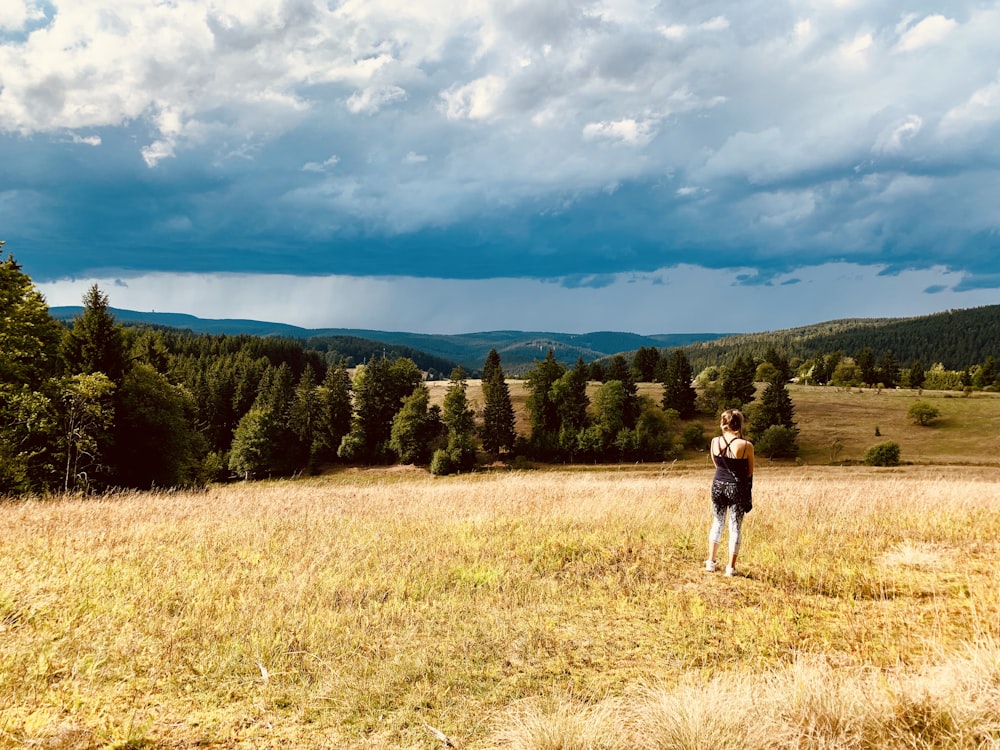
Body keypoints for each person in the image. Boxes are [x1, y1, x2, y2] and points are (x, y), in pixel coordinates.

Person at [706, 409, 754, 577]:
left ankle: (711, 562)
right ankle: (730, 568)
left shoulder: (714, 442)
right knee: (735, 526)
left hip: (718, 485)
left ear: (722, 423)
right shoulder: (746, 446)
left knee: (717, 522)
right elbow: (749, 472)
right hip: (736, 488)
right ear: (739, 425)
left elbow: (716, 464)